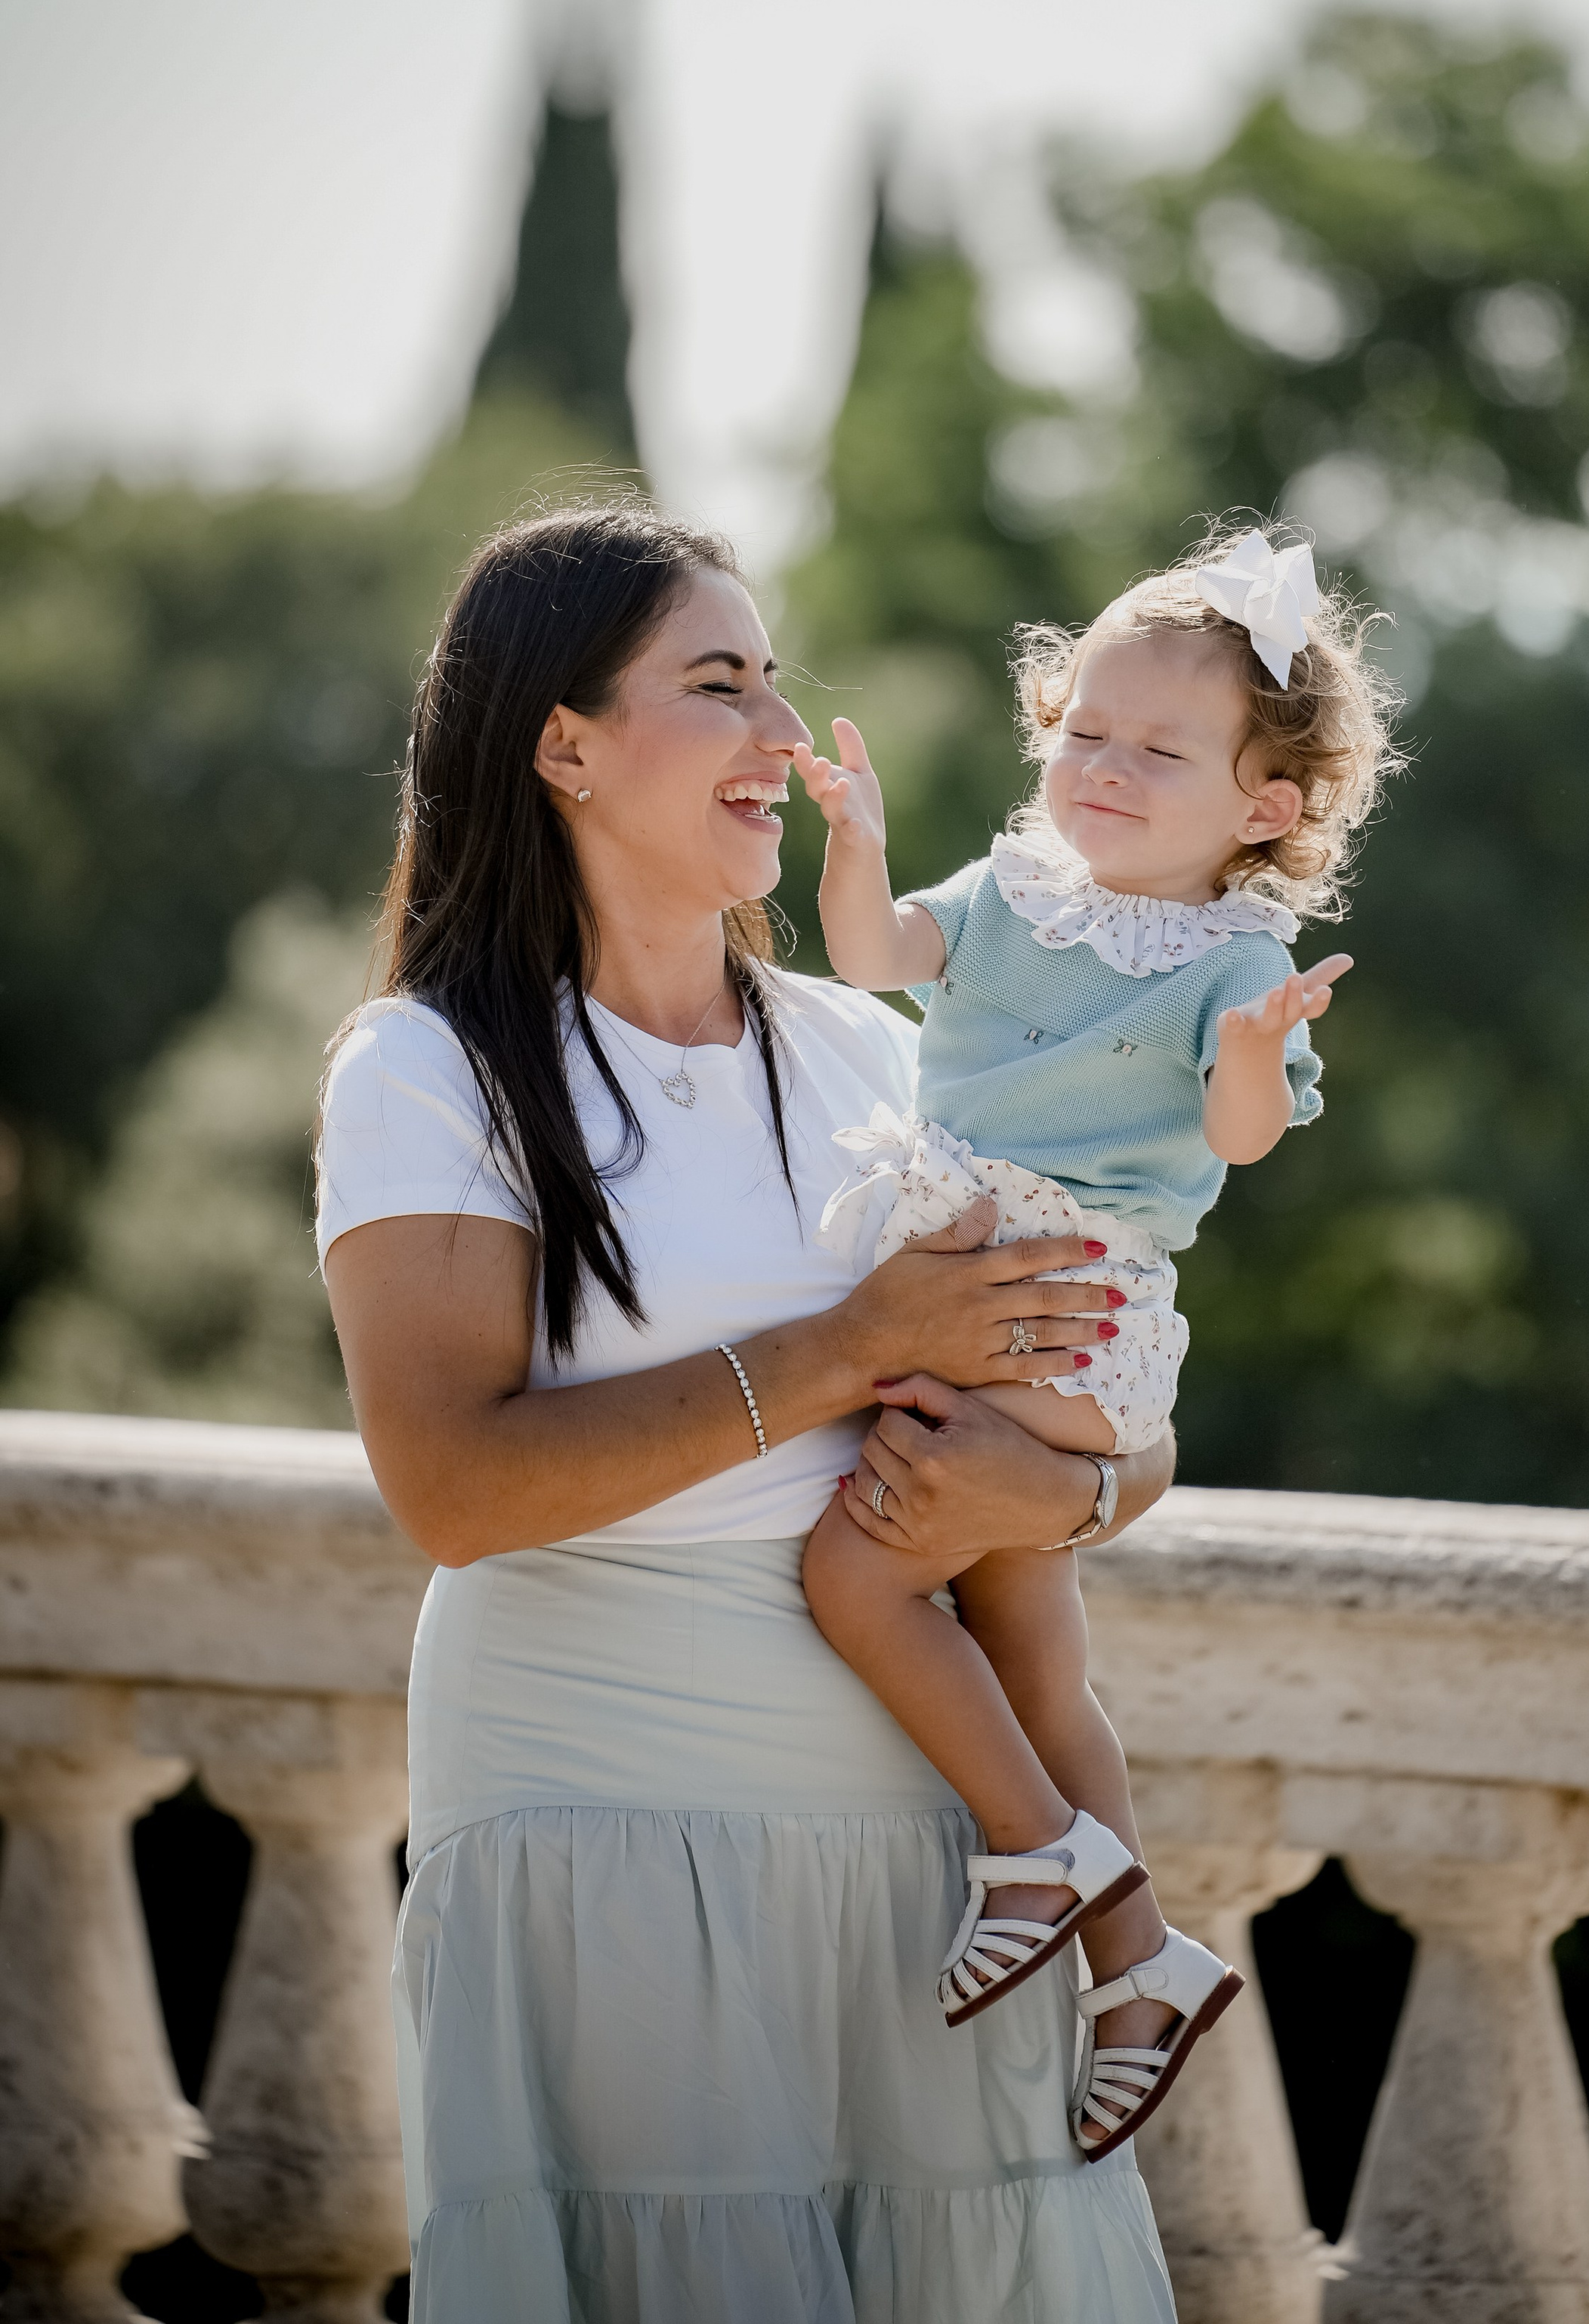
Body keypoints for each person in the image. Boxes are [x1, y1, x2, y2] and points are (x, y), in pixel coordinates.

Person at [317, 503, 1180, 2322]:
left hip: (942, 1858)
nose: (785, 740)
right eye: (719, 688)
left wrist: (1046, 1496)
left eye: (776, 687)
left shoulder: (881, 1050)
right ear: (562, 742)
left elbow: (1123, 1399)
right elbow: (454, 1490)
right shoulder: (429, 1071)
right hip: (601, 1831)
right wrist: (846, 1350)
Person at [795, 523, 1398, 2158]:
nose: (1105, 771)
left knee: (854, 1572)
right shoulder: (1008, 894)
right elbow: (873, 958)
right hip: (1003, 1292)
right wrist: (851, 839)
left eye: (1158, 751)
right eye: (1084, 734)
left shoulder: (1228, 958)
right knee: (1036, 1658)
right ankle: (1138, 1967)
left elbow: (1239, 1134)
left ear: (1263, 809)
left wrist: (1262, 1049)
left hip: (1055, 1304)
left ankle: (1031, 1852)